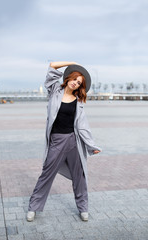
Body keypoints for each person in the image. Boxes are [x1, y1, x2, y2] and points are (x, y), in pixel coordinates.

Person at [27, 61, 101, 222]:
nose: (75, 83)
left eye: (79, 82)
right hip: (56, 140)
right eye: (74, 78)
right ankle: (33, 207)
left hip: (73, 141)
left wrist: (91, 145)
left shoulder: (78, 102)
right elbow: (52, 66)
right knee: (47, 173)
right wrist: (73, 63)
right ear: (68, 78)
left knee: (79, 176)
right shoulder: (54, 91)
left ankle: (83, 208)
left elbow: (82, 126)